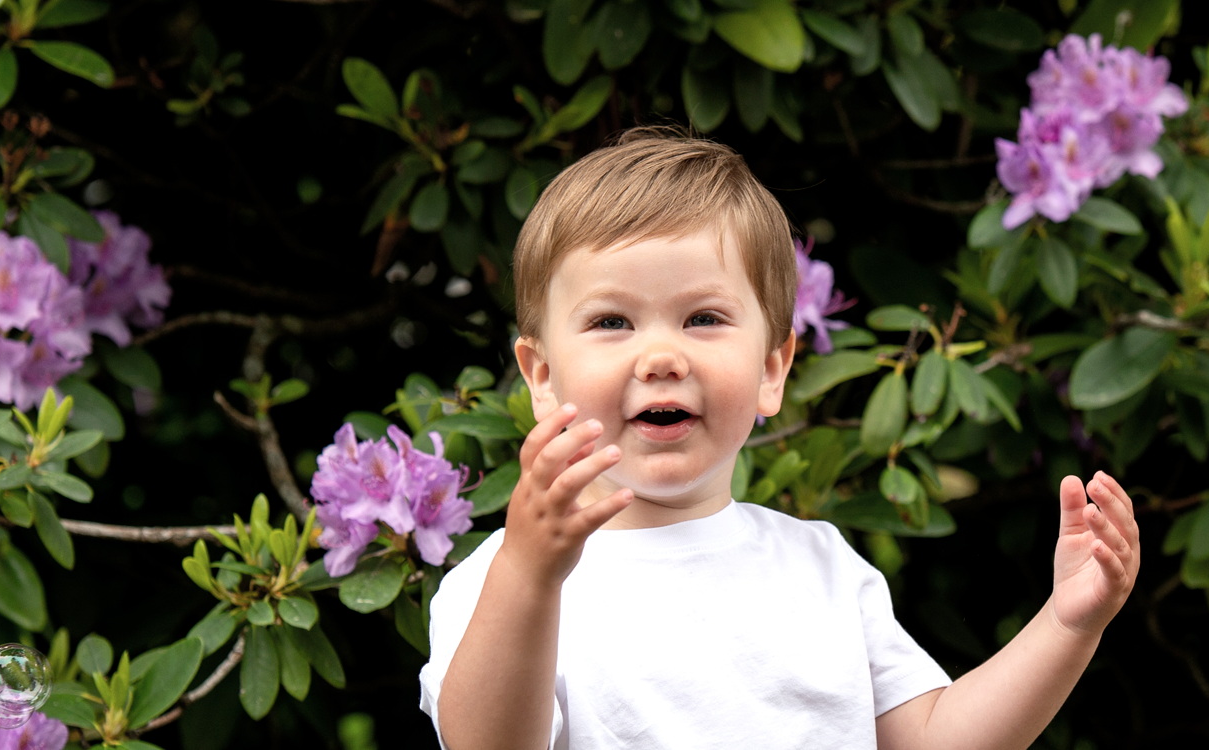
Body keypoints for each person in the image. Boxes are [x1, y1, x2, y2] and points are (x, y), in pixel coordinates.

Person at [418, 127, 1141, 750]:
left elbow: (933, 737)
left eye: (703, 318)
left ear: (773, 369)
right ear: (541, 376)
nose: (662, 356)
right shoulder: (500, 584)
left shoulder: (822, 568)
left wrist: (1067, 623)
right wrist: (531, 574)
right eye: (612, 322)